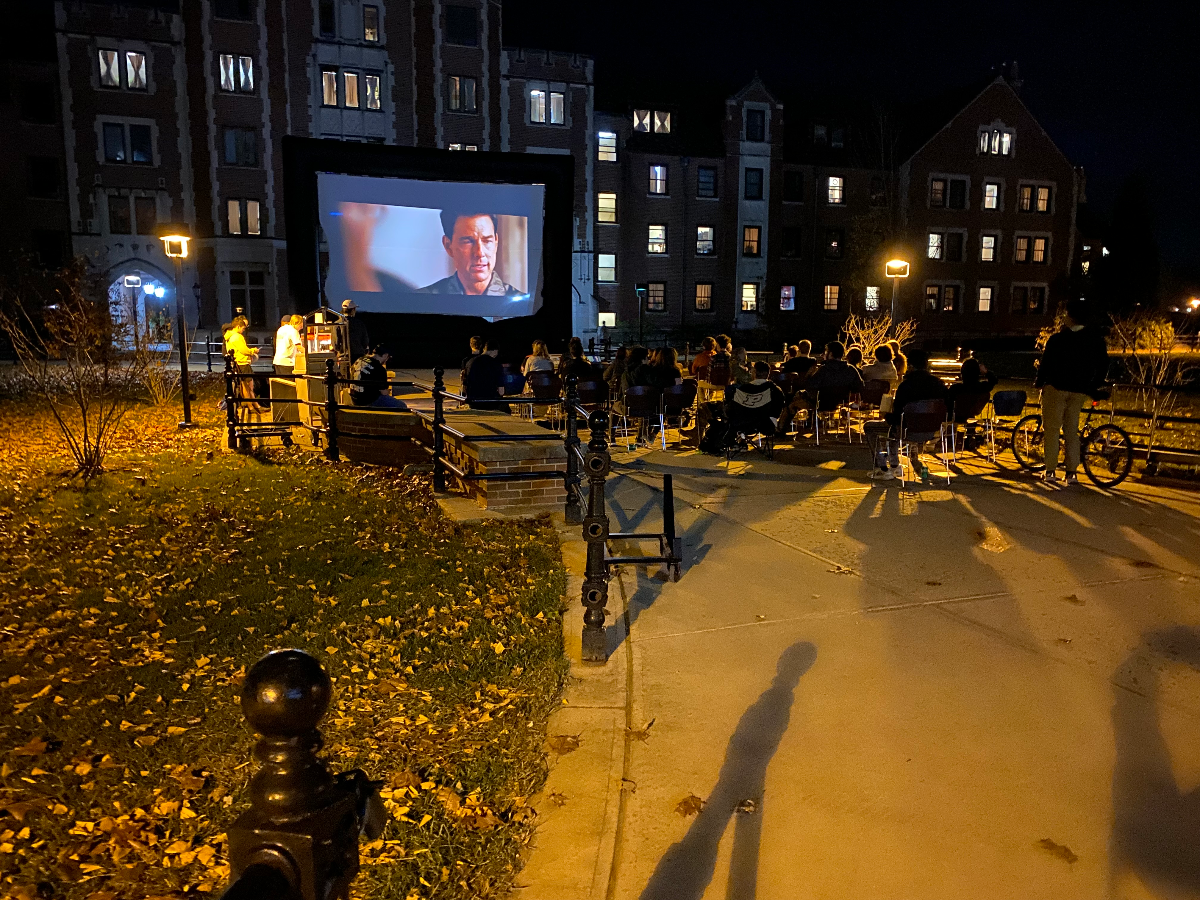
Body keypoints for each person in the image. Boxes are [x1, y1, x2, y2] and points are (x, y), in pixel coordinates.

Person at [1035, 298, 1109, 484]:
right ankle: (1071, 473)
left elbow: (1046, 364)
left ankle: (1050, 471)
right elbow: (1103, 365)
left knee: (1051, 430)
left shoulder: (1058, 339)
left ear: (1070, 317)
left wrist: (1039, 382)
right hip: (1079, 390)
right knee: (1071, 431)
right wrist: (1093, 385)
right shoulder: (1095, 340)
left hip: (1056, 387)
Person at [872, 349, 948, 478]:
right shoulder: (939, 385)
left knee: (873, 427)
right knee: (900, 425)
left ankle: (885, 466)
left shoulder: (906, 386)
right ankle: (904, 462)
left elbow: (897, 416)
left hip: (908, 431)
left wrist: (886, 415)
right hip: (934, 431)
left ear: (911, 366)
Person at [417, 211, 523, 297]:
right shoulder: (422, 300)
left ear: (496, 242)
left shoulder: (520, 302)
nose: (480, 253)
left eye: (487, 241)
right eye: (468, 241)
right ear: (448, 246)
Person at [726, 361, 785, 438]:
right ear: (768, 373)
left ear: (754, 372)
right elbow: (778, 409)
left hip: (741, 424)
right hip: (766, 425)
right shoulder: (775, 390)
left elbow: (733, 408)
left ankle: (740, 441)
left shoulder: (742, 390)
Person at [350, 345, 407, 409]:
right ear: (385, 355)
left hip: (355, 399)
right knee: (402, 406)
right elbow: (384, 392)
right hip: (368, 401)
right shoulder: (379, 369)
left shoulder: (359, 360)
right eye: (388, 358)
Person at [462, 340, 507, 410]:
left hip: (473, 401)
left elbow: (464, 387)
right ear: (495, 351)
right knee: (506, 409)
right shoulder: (496, 364)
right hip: (490, 402)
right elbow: (501, 391)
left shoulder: (470, 362)